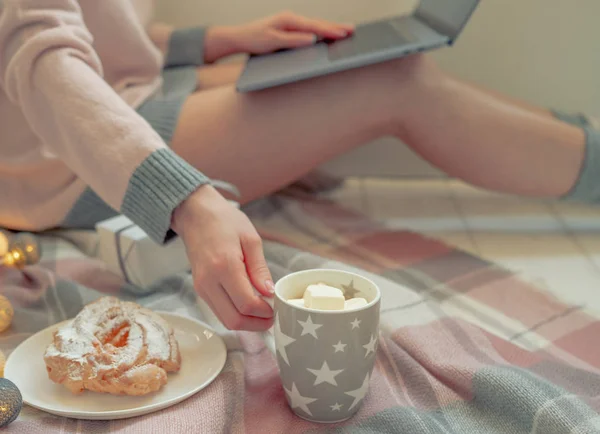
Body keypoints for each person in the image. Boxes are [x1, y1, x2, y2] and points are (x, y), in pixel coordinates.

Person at [0, 1, 596, 332]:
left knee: (359, 59)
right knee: (396, 81)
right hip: (63, 157)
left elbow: (98, 26)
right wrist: (189, 201)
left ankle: (581, 141)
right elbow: (41, 58)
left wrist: (220, 40)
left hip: (130, 90)